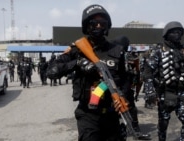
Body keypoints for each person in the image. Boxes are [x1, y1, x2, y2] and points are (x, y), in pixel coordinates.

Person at [46, 4, 135, 141]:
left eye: (102, 23)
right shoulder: (77, 50)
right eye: (94, 23)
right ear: (87, 26)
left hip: (112, 115)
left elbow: (125, 80)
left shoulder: (117, 51)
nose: (99, 26)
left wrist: (123, 99)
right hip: (88, 115)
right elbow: (51, 71)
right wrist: (78, 63)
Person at [148, 21, 184, 141]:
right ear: (167, 34)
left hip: (183, 94)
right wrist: (150, 92)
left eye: (179, 32)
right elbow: (148, 72)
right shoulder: (158, 51)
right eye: (173, 32)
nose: (177, 34)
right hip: (165, 93)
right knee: (163, 124)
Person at [112, 35, 151, 140]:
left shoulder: (117, 54)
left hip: (122, 87)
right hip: (120, 87)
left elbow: (135, 73)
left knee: (128, 109)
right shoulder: (124, 55)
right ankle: (133, 130)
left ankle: (132, 130)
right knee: (126, 109)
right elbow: (136, 73)